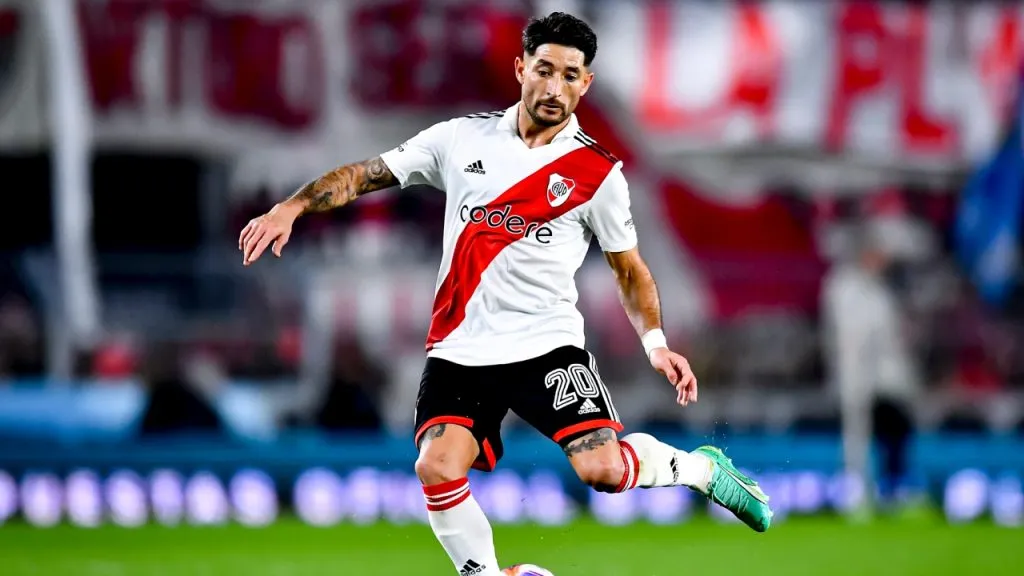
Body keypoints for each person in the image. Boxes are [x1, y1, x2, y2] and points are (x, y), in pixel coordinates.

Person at [240, 12, 772, 576]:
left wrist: (656, 342)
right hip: (460, 348)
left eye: (571, 75)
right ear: (521, 68)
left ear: (585, 84)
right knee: (437, 467)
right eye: (545, 69)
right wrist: (292, 205)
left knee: (602, 470)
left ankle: (703, 472)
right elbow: (369, 173)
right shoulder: (459, 138)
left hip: (546, 345)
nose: (555, 86)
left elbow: (629, 269)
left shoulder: (597, 174)